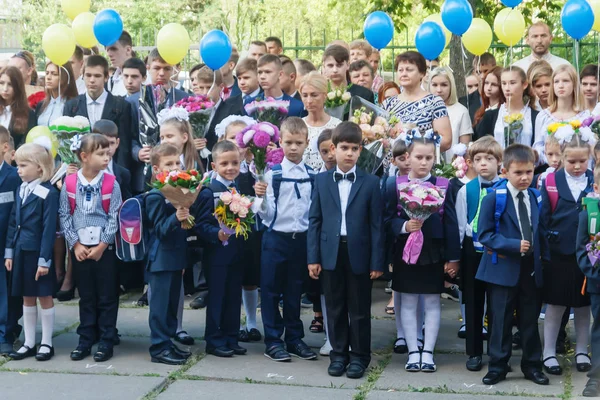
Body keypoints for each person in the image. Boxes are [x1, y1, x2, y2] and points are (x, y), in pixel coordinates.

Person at [308, 121, 384, 379]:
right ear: (333, 148)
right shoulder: (321, 181)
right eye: (344, 147)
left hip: (359, 253)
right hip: (330, 253)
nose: (349, 153)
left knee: (359, 308)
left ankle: (360, 356)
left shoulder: (371, 183)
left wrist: (377, 261)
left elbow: (376, 226)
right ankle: (339, 355)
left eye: (354, 148)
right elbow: (314, 221)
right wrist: (313, 257)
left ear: (361, 150)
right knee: (335, 306)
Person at [476, 144, 549, 386]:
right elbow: (484, 234)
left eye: (529, 172)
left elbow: (543, 231)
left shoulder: (537, 197)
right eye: (518, 173)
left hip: (531, 269)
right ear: (505, 171)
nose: (525, 178)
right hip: (503, 269)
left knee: (529, 319)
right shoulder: (494, 199)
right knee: (501, 320)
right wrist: (512, 244)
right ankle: (498, 365)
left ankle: (532, 365)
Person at [253, 117, 318, 362]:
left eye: (298, 143)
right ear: (280, 142)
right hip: (275, 239)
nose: (293, 148)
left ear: (306, 143)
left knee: (294, 291)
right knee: (270, 291)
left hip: (299, 240)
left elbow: (313, 212)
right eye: (288, 142)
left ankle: (294, 338)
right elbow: (266, 214)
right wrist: (260, 197)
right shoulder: (273, 174)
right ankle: (272, 339)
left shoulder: (312, 175)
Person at [384, 134, 450, 374]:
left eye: (429, 158)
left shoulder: (443, 184)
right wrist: (404, 227)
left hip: (433, 252)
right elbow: (387, 218)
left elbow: (450, 223)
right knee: (408, 301)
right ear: (407, 158)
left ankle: (428, 351)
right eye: (418, 157)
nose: (423, 163)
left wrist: (453, 257)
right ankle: (413, 351)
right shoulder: (395, 184)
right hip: (405, 253)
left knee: (432, 301)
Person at [58, 134, 122, 362]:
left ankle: (106, 339)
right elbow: (65, 214)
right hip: (80, 248)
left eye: (108, 153)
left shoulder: (111, 182)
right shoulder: (70, 183)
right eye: (101, 154)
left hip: (104, 249)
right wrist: (75, 243)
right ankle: (86, 338)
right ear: (84, 157)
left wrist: (103, 244)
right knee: (86, 295)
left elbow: (114, 215)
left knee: (106, 295)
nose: (107, 157)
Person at [539, 134, 594, 376]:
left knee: (583, 305)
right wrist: (543, 252)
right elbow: (543, 219)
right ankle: (548, 351)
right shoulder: (551, 181)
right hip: (557, 252)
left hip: (589, 254)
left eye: (582, 161)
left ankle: (582, 349)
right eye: (572, 161)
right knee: (555, 304)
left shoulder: (594, 181)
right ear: (562, 158)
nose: (577, 166)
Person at [451, 137, 503, 371]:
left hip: (498, 251)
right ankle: (474, 352)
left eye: (489, 159)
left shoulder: (505, 188)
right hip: (473, 250)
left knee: (497, 304)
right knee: (473, 302)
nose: (483, 164)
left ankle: (497, 352)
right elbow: (461, 225)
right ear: (471, 162)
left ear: (499, 162)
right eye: (478, 159)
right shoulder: (466, 190)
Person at [5, 143, 58, 361]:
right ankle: (29, 341)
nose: (18, 169)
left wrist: (44, 260)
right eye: (17, 165)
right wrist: (9, 251)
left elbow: (48, 230)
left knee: (44, 296)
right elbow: (12, 221)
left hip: (38, 253)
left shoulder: (48, 193)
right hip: (20, 251)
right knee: (27, 296)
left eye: (23, 165)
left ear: (39, 167)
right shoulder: (21, 189)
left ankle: (47, 342)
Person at [194, 140, 245, 357]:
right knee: (218, 296)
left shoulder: (238, 188)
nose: (231, 167)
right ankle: (214, 339)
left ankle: (231, 337)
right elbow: (201, 224)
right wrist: (217, 234)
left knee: (234, 295)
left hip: (235, 251)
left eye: (235, 162)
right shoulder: (209, 191)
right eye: (224, 164)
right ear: (214, 166)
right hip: (216, 253)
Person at [144, 143, 193, 365]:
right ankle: (159, 346)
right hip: (161, 259)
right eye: (168, 164)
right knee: (160, 306)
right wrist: (177, 215)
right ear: (156, 169)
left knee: (172, 304)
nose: (174, 168)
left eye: (177, 163)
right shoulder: (155, 195)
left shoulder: (180, 191)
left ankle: (169, 342)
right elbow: (160, 230)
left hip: (175, 257)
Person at [63, 55, 133, 170]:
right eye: (88, 75)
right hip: (81, 170)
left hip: (110, 169)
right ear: (83, 76)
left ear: (106, 77)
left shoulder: (121, 105)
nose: (92, 80)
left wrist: (120, 174)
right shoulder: (71, 106)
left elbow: (124, 145)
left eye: (97, 76)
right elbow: (68, 142)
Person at [382, 51, 452, 152]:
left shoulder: (434, 102)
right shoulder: (388, 103)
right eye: (400, 70)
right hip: (393, 164)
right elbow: (380, 136)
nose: (404, 74)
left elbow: (446, 141)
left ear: (422, 73)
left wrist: (413, 145)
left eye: (409, 70)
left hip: (422, 163)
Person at [533, 64, 590, 165]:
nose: (561, 85)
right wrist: (552, 160)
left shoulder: (585, 116)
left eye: (566, 81)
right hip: (549, 170)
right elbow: (538, 146)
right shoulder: (543, 116)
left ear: (574, 84)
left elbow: (589, 148)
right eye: (556, 81)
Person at [576, 164, 600, 397]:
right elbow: (583, 249)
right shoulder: (589, 214)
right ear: (596, 187)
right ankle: (596, 378)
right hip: (598, 280)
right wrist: (593, 273)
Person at [475, 67, 538, 149]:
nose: (507, 88)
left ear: (524, 84)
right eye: (504, 83)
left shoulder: (535, 117)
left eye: (512, 83)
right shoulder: (490, 116)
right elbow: (481, 148)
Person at [0, 126, 20, 356]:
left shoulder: (14, 177)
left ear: (5, 147)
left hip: (6, 244)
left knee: (6, 292)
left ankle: (5, 334)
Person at [429, 67, 472, 161]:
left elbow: (465, 147)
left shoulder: (461, 111)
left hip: (451, 169)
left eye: (444, 85)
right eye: (434, 85)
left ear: (451, 86)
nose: (439, 90)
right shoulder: (424, 109)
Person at [300, 72, 342, 170]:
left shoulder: (337, 125)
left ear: (325, 96)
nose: (309, 100)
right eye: (305, 95)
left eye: (314, 95)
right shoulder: (298, 126)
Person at [123, 57, 148, 195]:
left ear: (144, 77)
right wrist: (136, 152)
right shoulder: (120, 101)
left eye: (134, 77)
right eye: (126, 76)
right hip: (133, 171)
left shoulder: (151, 100)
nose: (129, 81)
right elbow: (125, 136)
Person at [0, 66, 36, 148]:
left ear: (17, 87)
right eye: (1, 83)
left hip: (14, 158)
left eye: (10, 84)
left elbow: (26, 144)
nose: (5, 89)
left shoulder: (28, 114)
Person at [35, 61, 78, 126]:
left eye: (54, 74)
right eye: (47, 73)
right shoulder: (41, 105)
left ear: (65, 77)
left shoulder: (74, 105)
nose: (48, 77)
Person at [460, 53, 497, 122]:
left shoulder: (504, 99)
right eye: (478, 72)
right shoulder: (464, 102)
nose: (482, 76)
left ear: (494, 69)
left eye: (486, 71)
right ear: (474, 73)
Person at [106, 31, 134, 96]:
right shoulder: (111, 80)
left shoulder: (142, 76)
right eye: (107, 50)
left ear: (128, 50)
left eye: (113, 49)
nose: (109, 54)